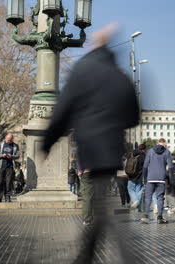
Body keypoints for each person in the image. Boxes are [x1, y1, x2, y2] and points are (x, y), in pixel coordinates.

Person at [41, 23, 139, 264]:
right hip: (112, 149)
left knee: (103, 208)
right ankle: (85, 257)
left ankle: (114, 257)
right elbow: (134, 116)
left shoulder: (83, 69)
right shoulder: (119, 74)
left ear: (95, 45)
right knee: (102, 205)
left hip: (90, 148)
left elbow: (64, 108)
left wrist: (48, 141)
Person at [141, 138, 174, 224]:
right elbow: (171, 167)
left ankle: (146, 216)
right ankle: (160, 217)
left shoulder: (150, 151)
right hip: (161, 179)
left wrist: (144, 178)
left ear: (157, 143)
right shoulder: (167, 152)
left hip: (150, 178)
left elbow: (145, 166)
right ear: (164, 143)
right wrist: (170, 179)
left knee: (148, 197)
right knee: (160, 198)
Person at [0, 133, 20, 203]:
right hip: (1, 166)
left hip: (10, 166)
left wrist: (11, 156)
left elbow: (18, 155)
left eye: (10, 140)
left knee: (8, 183)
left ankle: (7, 197)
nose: (9, 141)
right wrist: (2, 155)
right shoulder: (0, 144)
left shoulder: (15, 146)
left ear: (12, 139)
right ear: (6, 138)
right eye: (8, 140)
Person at [126, 144, 146, 210]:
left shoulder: (132, 153)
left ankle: (135, 201)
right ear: (144, 149)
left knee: (130, 189)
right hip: (140, 177)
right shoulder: (144, 156)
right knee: (138, 191)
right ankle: (139, 208)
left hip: (131, 175)